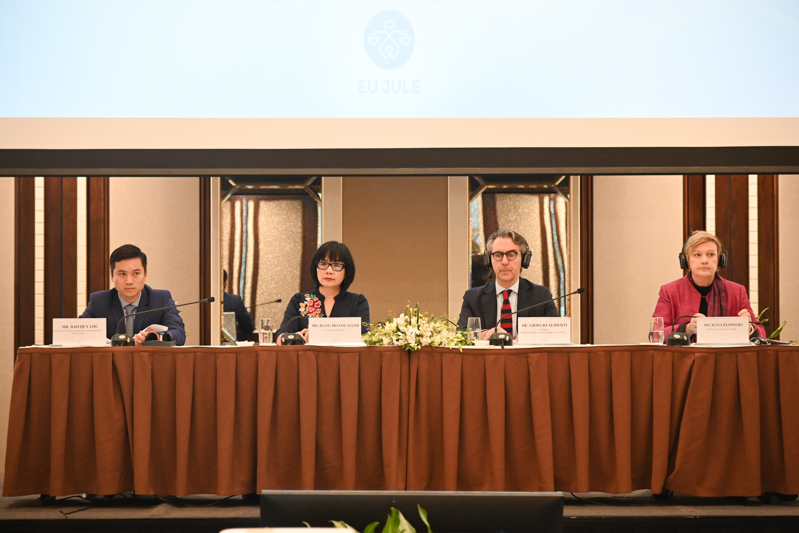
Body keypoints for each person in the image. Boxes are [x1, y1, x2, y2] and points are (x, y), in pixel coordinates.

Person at [653, 230, 765, 339]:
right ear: (686, 261)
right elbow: (656, 334)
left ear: (720, 260)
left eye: (711, 254)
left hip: (725, 352)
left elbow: (762, 333)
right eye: (697, 254)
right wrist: (687, 329)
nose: (704, 260)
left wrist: (749, 329)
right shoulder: (669, 291)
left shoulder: (737, 291)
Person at [458, 228, 559, 340]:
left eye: (511, 255)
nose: (504, 262)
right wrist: (484, 334)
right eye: (498, 255)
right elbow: (461, 334)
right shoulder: (472, 298)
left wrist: (533, 337)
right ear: (489, 260)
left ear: (524, 260)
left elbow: (556, 334)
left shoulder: (541, 296)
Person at [80, 244, 186, 345]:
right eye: (122, 274)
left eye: (136, 273)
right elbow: (78, 332)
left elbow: (179, 333)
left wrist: (157, 337)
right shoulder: (99, 301)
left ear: (145, 274)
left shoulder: (161, 299)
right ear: (112, 275)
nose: (129, 281)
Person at [275, 241, 370, 344]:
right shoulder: (299, 300)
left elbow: (365, 338)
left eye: (337, 265)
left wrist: (319, 334)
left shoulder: (357, 302)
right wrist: (295, 338)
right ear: (315, 268)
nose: (329, 271)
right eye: (323, 264)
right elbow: (281, 337)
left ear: (346, 272)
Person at [223, 270, 255, 341]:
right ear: (225, 284)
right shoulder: (234, 301)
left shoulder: (201, 301)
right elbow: (248, 327)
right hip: (229, 345)